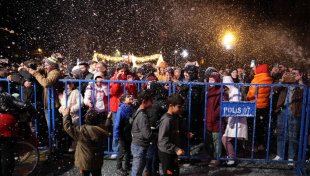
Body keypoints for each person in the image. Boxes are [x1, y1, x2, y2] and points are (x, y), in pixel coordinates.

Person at [62, 108, 111, 176]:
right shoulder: (102, 130)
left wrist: (66, 115)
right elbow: (107, 127)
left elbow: (68, 127)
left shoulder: (82, 131)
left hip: (84, 161)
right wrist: (108, 119)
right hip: (97, 160)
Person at [273, 69, 304, 166]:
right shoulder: (285, 84)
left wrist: (300, 81)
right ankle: (280, 155)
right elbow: (274, 89)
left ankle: (291, 158)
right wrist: (282, 79)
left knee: (293, 135)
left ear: (300, 75)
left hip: (294, 111)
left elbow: (305, 93)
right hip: (282, 110)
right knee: (280, 133)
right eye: (291, 73)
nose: (292, 75)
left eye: (294, 73)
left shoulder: (300, 86)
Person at [110, 62, 137, 159]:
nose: (123, 73)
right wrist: (117, 81)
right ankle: (116, 150)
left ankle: (127, 151)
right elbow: (113, 92)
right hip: (116, 107)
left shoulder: (129, 78)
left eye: (125, 71)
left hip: (127, 107)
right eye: (121, 71)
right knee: (116, 128)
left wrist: (130, 84)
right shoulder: (113, 79)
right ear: (117, 71)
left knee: (128, 129)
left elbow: (133, 92)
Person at [221, 76, 248, 166]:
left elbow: (234, 108)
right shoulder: (232, 91)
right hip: (234, 120)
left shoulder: (235, 92)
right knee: (229, 139)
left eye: (225, 86)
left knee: (226, 139)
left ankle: (232, 158)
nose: (224, 88)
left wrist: (230, 122)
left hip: (236, 120)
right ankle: (233, 156)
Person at [246, 64, 273, 153]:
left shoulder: (257, 79)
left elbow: (252, 93)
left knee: (253, 126)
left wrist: (248, 97)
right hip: (264, 106)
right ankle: (262, 145)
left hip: (255, 105)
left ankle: (254, 146)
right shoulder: (269, 79)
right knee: (261, 127)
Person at [158, 94, 185, 176]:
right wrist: (176, 149)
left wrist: (185, 133)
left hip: (172, 151)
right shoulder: (166, 120)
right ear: (171, 106)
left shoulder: (175, 117)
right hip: (166, 153)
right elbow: (162, 140)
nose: (181, 109)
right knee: (169, 173)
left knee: (175, 171)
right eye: (179, 107)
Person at [131, 90, 153, 176]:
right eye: (151, 100)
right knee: (137, 171)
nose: (152, 102)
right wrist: (157, 135)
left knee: (137, 170)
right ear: (144, 101)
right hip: (139, 146)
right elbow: (147, 135)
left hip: (138, 145)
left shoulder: (139, 112)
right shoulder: (142, 116)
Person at [59, 77, 84, 152]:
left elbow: (80, 103)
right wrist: (62, 109)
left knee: (74, 130)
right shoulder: (64, 92)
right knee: (67, 129)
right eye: (67, 84)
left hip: (74, 115)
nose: (68, 86)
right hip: (66, 114)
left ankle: (75, 146)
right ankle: (69, 145)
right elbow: (63, 103)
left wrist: (71, 109)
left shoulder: (76, 92)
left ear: (73, 84)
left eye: (70, 84)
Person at [113, 94, 135, 176]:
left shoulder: (131, 108)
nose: (131, 97)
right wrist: (116, 136)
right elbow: (117, 124)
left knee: (128, 149)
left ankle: (127, 165)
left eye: (131, 96)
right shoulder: (121, 110)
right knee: (122, 151)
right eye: (128, 97)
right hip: (122, 134)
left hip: (128, 133)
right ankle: (118, 168)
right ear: (123, 101)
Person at [206, 72, 223, 167]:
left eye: (213, 80)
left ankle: (217, 158)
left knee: (216, 140)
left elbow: (221, 106)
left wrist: (214, 115)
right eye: (210, 80)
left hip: (216, 120)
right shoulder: (208, 90)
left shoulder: (220, 91)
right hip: (209, 118)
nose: (211, 82)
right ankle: (212, 156)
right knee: (211, 140)